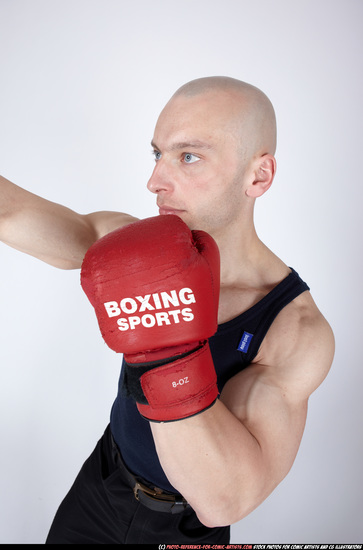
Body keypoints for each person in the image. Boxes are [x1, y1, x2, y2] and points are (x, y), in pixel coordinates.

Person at [0, 76, 335, 544]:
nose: (155, 181)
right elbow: (10, 214)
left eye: (188, 156)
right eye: (157, 153)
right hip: (101, 485)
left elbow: (225, 500)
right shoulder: (131, 247)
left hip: (181, 528)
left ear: (258, 176)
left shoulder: (293, 330)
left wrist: (164, 348)